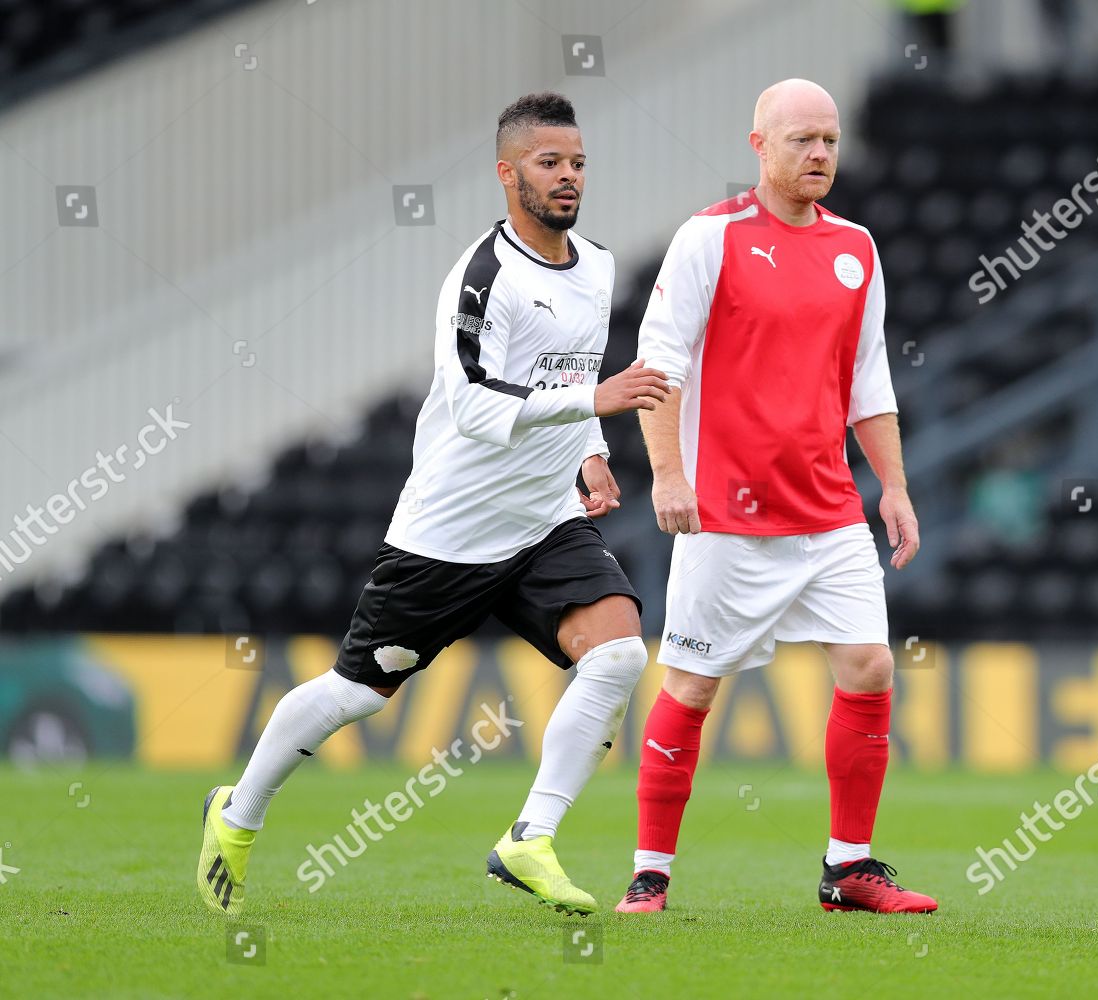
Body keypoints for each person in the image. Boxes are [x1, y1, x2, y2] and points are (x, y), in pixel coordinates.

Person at [197, 92, 670, 918]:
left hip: (544, 525)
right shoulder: (480, 277)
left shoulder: (595, 266)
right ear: (506, 173)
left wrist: (589, 456)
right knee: (354, 693)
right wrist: (596, 405)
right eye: (548, 162)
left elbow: (563, 377)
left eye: (578, 162)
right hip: (448, 535)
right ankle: (236, 817)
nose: (567, 177)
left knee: (622, 653)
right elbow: (477, 407)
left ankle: (529, 838)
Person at [615, 79, 937, 915]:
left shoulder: (857, 247)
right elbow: (660, 363)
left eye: (829, 140)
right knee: (691, 687)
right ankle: (650, 874)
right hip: (728, 512)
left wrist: (893, 486)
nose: (820, 154)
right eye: (801, 140)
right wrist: (670, 475)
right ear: (758, 145)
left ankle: (849, 869)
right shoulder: (709, 239)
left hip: (829, 511)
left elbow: (869, 381)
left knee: (869, 667)